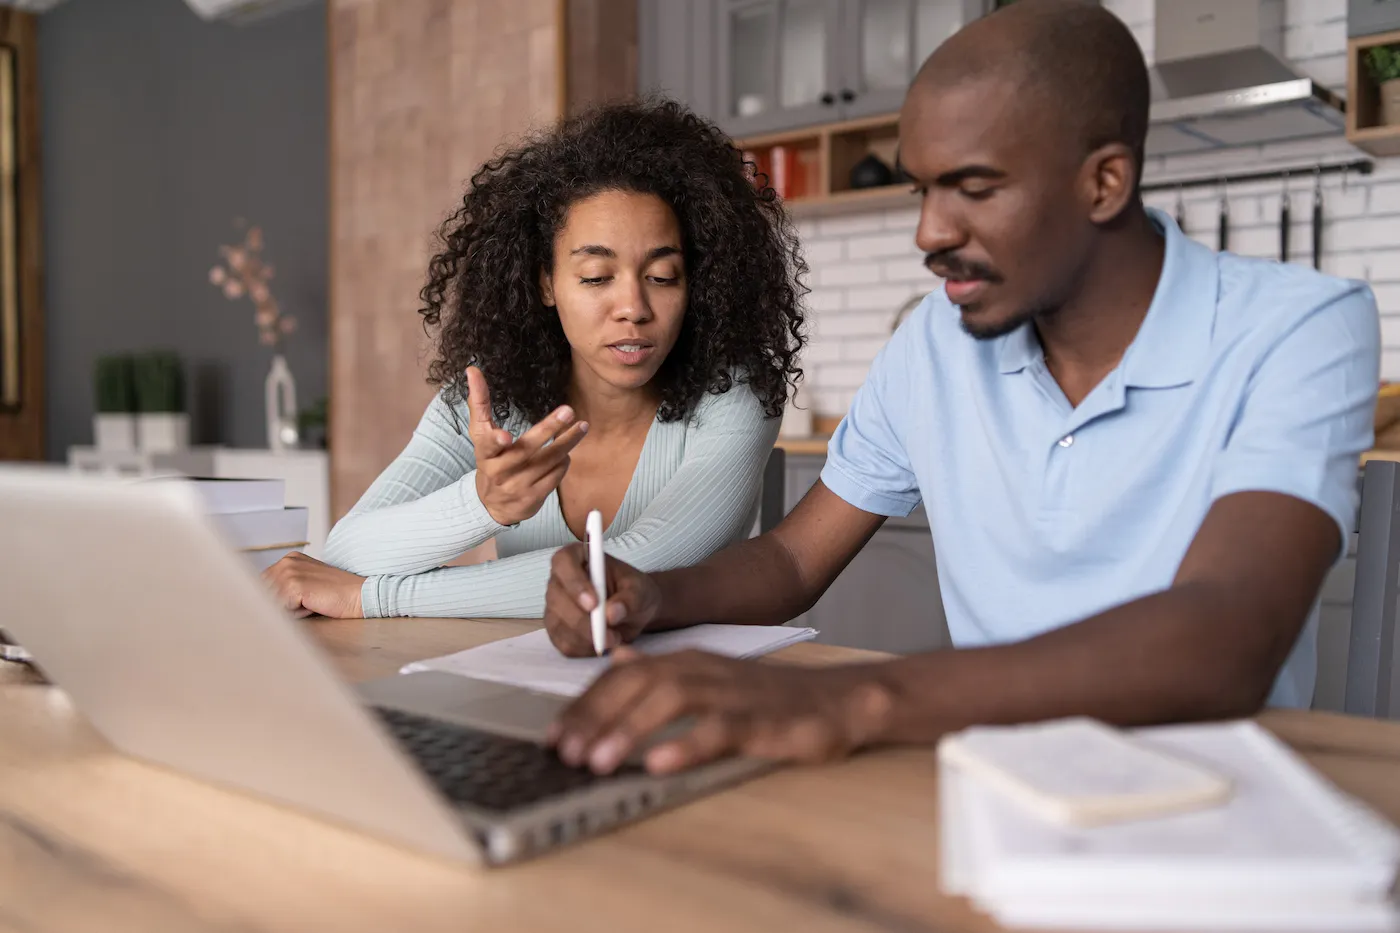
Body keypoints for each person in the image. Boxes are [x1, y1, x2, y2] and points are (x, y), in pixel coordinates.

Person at [541, 0, 1381, 778]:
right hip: (994, 783)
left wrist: (852, 699)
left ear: (1105, 183)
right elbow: (794, 557)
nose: (930, 232)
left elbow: (1225, 635)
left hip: (1214, 803)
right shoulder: (935, 345)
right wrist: (651, 593)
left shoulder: (1299, 328)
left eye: (973, 189)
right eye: (923, 189)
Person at [263, 100, 806, 624]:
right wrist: (483, 502)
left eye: (663, 277)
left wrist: (378, 599)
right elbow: (349, 550)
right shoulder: (492, 397)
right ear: (546, 283)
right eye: (596, 278)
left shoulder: (735, 395)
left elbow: (636, 570)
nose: (635, 310)